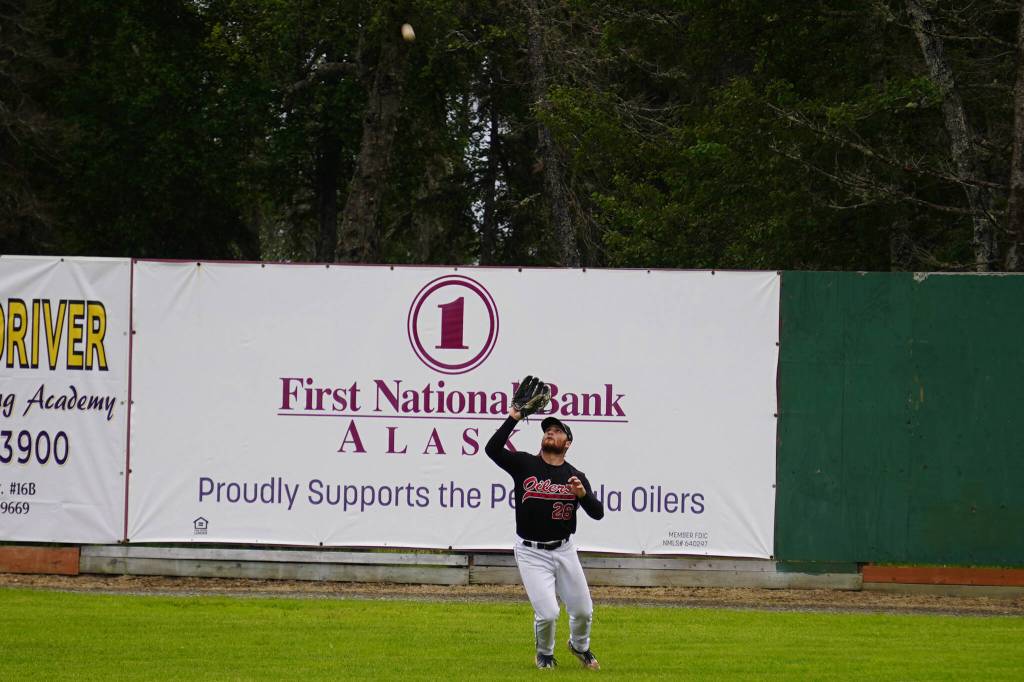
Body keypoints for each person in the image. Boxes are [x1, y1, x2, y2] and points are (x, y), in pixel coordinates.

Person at [485, 397, 605, 670]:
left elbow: (597, 513)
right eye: (548, 430)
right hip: (530, 552)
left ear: (568, 443)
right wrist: (513, 417)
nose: (550, 432)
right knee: (549, 613)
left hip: (564, 550)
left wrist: (583, 495)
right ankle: (545, 654)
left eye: (558, 430)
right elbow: (492, 450)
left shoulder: (575, 476)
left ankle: (579, 646)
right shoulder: (524, 464)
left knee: (584, 611)